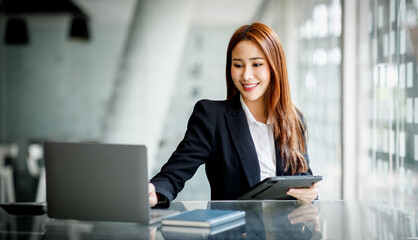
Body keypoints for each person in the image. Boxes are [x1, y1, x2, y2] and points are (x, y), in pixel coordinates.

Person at [149, 22, 318, 207]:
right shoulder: (212, 117)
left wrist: (310, 194)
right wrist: (155, 193)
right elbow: (174, 173)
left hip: (285, 233)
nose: (246, 75)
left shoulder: (294, 120)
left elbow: (304, 181)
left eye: (256, 64)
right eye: (238, 65)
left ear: (274, 67)